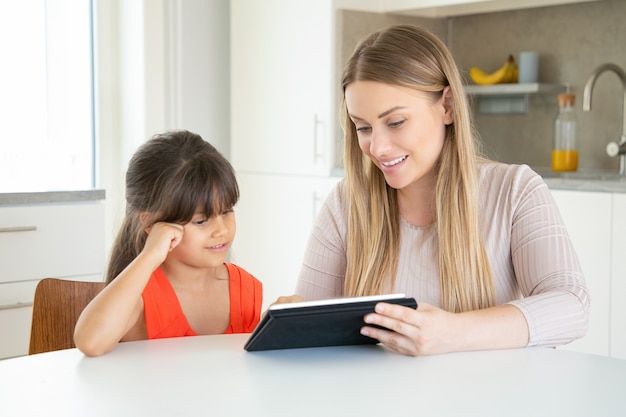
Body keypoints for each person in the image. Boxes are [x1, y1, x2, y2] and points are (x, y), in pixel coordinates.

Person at [276, 24, 589, 356]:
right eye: (363, 127)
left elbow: (572, 306)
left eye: (396, 122)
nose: (378, 147)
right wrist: (290, 321)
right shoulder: (345, 204)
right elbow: (307, 328)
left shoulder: (514, 191)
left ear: (448, 106)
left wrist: (453, 333)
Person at [74, 130, 262, 357]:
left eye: (227, 211)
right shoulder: (139, 295)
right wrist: (149, 255)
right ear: (151, 224)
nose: (221, 230)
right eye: (201, 221)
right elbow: (91, 342)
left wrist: (276, 327)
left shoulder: (245, 288)